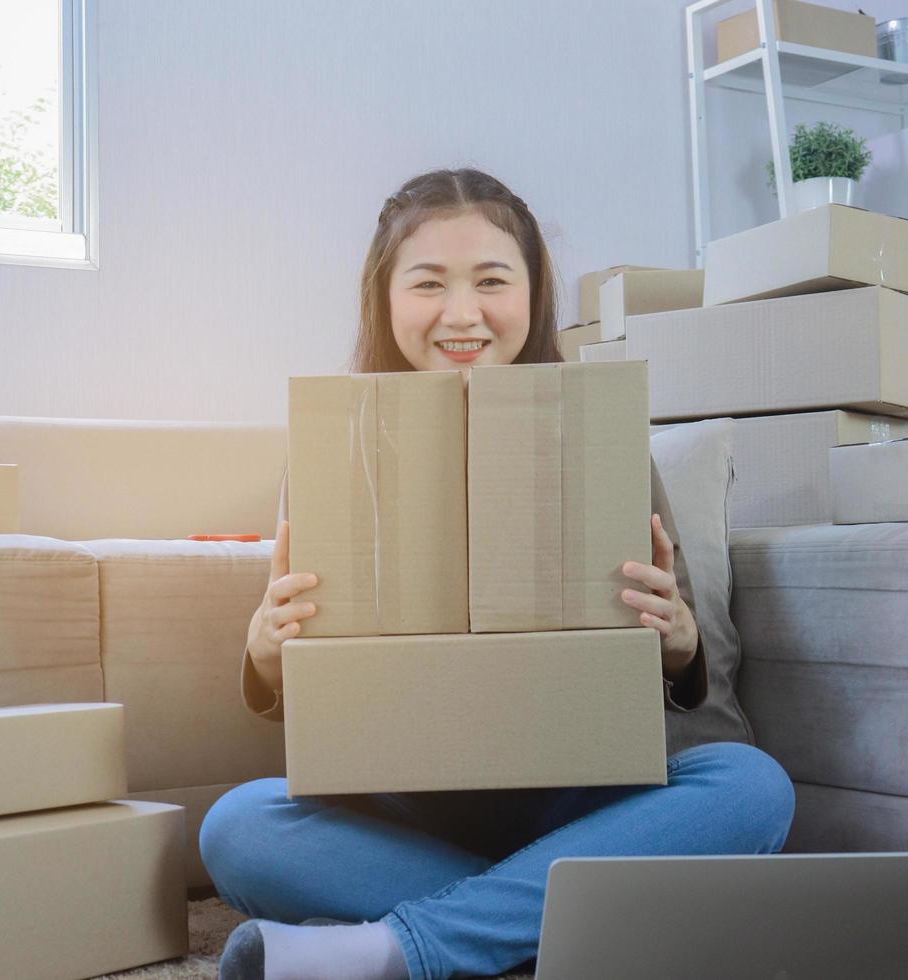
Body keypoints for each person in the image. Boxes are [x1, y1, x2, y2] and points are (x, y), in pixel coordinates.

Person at [200, 168, 795, 980]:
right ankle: (549, 928)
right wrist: (269, 658)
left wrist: (680, 642)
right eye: (429, 284)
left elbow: (688, 685)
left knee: (752, 787)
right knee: (235, 827)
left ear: (532, 291)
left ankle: (397, 949)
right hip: (414, 814)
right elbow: (321, 704)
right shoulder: (329, 459)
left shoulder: (607, 438)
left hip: (589, 800)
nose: (462, 313)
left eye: (490, 281)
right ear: (385, 297)